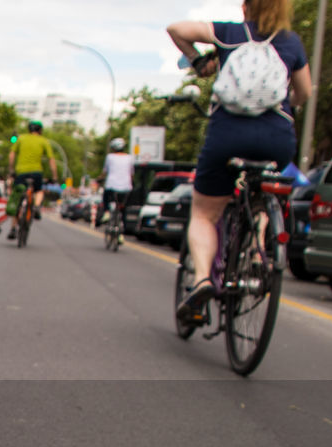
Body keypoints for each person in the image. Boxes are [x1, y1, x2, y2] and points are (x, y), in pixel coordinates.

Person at [168, 0, 312, 323]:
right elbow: (304, 92)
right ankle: (258, 248)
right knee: (262, 196)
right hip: (277, 138)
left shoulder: (230, 33)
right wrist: (288, 102)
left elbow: (176, 30)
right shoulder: (290, 42)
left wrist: (198, 62)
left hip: (227, 135)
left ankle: (203, 279)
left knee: (204, 214)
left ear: (246, 7)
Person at [7, 120, 60, 239]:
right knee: (39, 190)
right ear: (40, 130)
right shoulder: (44, 141)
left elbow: (11, 155)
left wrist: (11, 170)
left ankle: (13, 228)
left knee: (18, 198)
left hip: (21, 172)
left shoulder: (21, 139)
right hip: (36, 173)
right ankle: (36, 206)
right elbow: (51, 160)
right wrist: (55, 177)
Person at [98, 138, 134, 241]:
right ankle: (121, 234)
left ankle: (106, 212)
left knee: (106, 196)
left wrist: (99, 178)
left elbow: (105, 171)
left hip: (112, 185)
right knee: (123, 209)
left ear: (113, 148)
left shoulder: (110, 157)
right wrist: (131, 183)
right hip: (126, 187)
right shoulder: (129, 158)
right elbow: (131, 174)